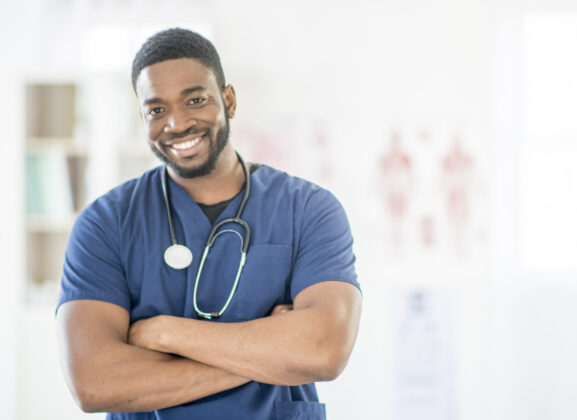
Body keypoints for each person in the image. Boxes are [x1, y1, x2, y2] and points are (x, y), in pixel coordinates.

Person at [55, 27, 362, 419]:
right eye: (156, 110)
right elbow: (93, 383)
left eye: (195, 100)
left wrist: (162, 333)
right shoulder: (105, 224)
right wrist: (270, 353)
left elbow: (323, 349)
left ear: (228, 100)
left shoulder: (309, 209)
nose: (177, 123)